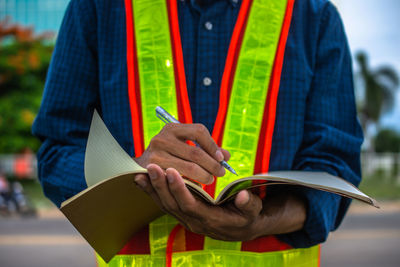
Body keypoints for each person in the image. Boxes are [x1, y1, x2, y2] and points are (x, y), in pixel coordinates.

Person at [32, 0, 363, 266]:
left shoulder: (312, 16)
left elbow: (335, 170)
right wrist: (130, 176)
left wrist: (262, 221)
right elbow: (57, 152)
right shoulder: (99, 8)